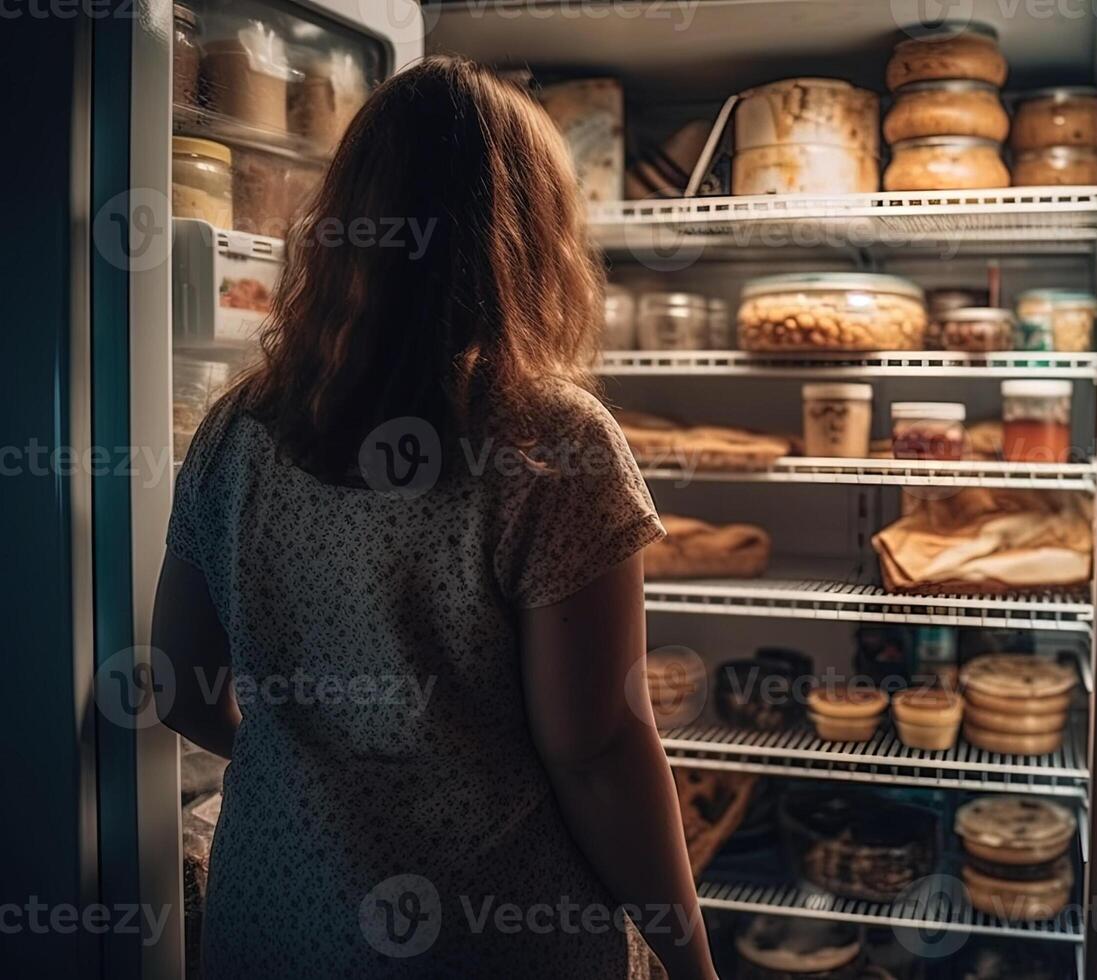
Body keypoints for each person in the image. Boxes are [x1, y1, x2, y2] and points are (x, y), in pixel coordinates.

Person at [152, 55, 716, 979]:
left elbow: (177, 682)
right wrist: (691, 963)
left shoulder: (237, 427)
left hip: (272, 918)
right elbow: (598, 751)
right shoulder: (550, 442)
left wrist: (318, 779)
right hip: (483, 935)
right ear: (527, 237)